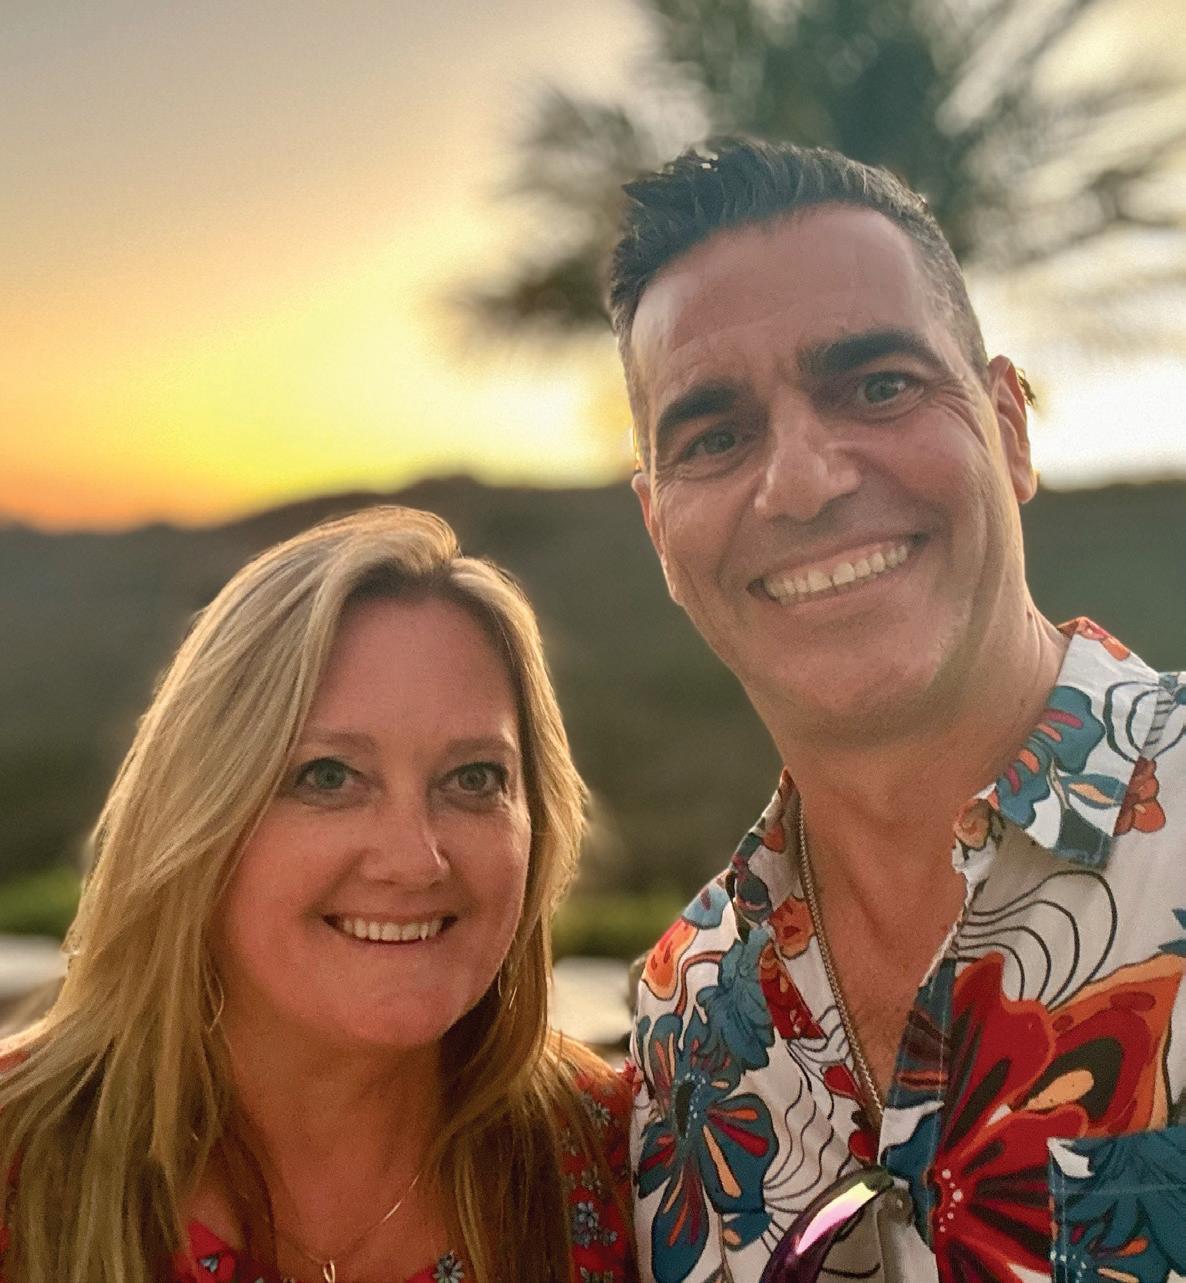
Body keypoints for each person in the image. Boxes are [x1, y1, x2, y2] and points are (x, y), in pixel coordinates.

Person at [611, 137, 1186, 1282]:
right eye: (715, 436)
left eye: (877, 385)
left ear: (1008, 426)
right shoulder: (684, 1015)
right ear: (660, 533)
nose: (804, 481)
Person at [0, 507, 637, 1283]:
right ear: (198, 811)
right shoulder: (17, 1168)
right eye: (329, 776)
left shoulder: (627, 1170)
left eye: (474, 778)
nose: (415, 859)